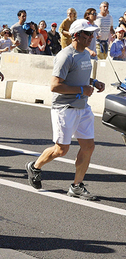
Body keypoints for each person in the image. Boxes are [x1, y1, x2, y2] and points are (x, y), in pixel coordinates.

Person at [26, 19, 105, 200]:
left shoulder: (85, 54)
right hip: (65, 107)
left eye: (92, 34)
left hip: (83, 107)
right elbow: (54, 86)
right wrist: (81, 90)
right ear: (76, 35)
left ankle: (76, 186)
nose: (91, 37)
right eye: (88, 34)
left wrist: (94, 83)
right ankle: (35, 166)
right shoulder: (65, 56)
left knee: (88, 146)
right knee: (61, 150)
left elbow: (81, 77)